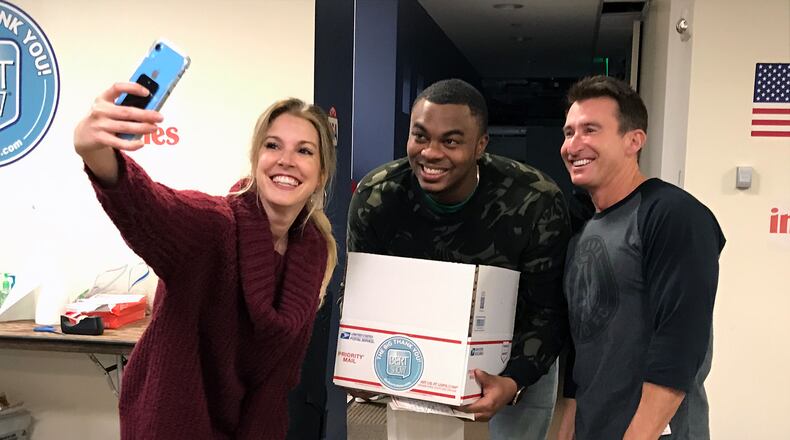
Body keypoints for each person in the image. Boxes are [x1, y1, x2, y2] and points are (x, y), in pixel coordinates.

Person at [73, 82, 337, 439]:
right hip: (170, 422)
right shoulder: (215, 227)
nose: (286, 160)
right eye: (272, 145)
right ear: (256, 158)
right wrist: (97, 153)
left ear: (321, 173)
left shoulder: (313, 252)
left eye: (304, 151)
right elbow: (150, 207)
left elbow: (277, 383)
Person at [347, 78, 571, 439]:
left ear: (481, 144)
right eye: (420, 136)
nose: (431, 153)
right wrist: (359, 364)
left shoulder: (534, 201)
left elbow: (547, 311)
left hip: (514, 353)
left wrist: (515, 381)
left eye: (450, 141)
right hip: (421, 352)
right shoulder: (379, 197)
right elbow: (360, 297)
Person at [556, 75, 725, 439]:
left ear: (634, 141)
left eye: (590, 130)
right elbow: (582, 349)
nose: (574, 144)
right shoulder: (585, 230)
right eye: (569, 132)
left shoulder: (672, 214)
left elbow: (679, 346)